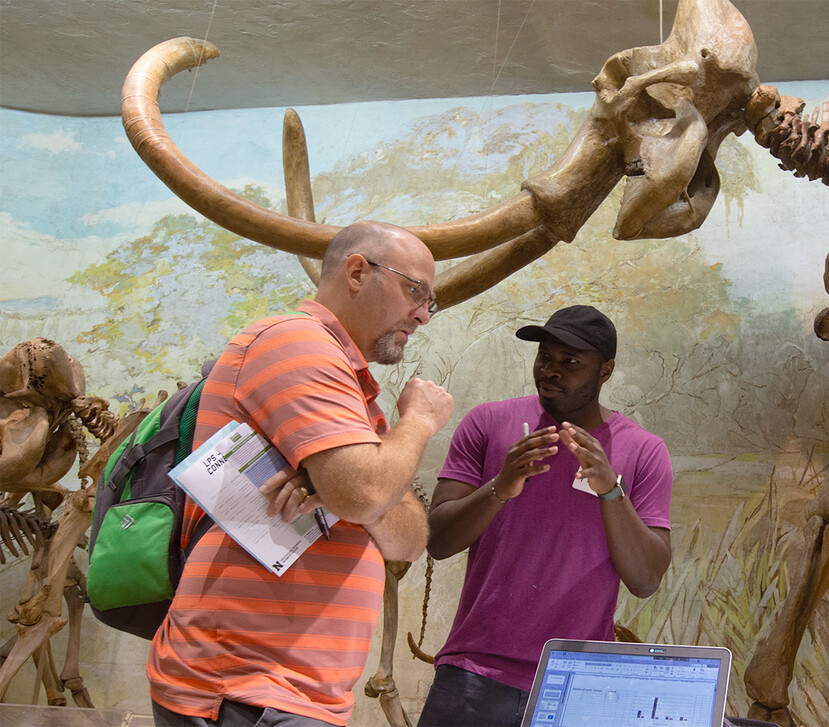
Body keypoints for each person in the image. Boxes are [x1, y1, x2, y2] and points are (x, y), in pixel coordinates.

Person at [147, 221, 454, 727]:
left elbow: (409, 538)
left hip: (294, 695)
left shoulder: (352, 386)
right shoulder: (297, 343)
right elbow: (370, 489)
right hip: (244, 688)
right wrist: (417, 422)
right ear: (358, 272)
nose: (422, 314)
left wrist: (350, 490)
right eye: (414, 290)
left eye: (429, 301)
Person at [418, 305, 673, 727]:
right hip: (473, 672)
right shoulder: (487, 423)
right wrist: (502, 484)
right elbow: (438, 540)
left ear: (604, 371)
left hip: (577, 682)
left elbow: (645, 581)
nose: (550, 371)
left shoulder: (644, 451)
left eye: (570, 362)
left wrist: (611, 491)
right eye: (544, 357)